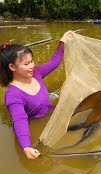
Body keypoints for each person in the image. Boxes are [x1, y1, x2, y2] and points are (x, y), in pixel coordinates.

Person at [0, 31, 73, 159]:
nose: (32, 66)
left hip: (53, 115)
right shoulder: (13, 96)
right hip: (40, 124)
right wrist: (26, 147)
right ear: (12, 67)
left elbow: (54, 62)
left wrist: (62, 42)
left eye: (32, 61)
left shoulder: (36, 73)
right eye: (26, 64)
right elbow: (20, 121)